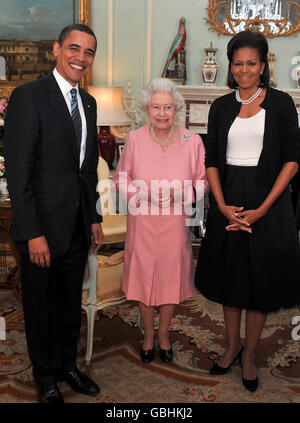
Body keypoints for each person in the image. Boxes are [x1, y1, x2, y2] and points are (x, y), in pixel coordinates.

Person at [195, 30, 300, 393]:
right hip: (228, 201)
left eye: (251, 63)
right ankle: (231, 346)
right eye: (237, 63)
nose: (243, 70)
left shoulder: (282, 103)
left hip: (268, 203)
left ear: (263, 65)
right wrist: (222, 206)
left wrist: (263, 209)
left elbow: (292, 161)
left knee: (259, 285)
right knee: (230, 280)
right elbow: (211, 160)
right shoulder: (221, 106)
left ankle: (251, 354)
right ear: (230, 65)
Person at [4, 24, 103, 403]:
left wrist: (93, 217)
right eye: (74, 48)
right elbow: (18, 171)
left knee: (67, 306)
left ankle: (67, 366)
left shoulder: (89, 103)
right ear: (57, 49)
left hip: (77, 227)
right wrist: (32, 233)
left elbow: (88, 167)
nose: (81, 57)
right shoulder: (29, 97)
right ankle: (45, 375)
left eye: (89, 52)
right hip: (41, 230)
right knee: (41, 308)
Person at [114, 78, 207, 364]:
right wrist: (143, 195)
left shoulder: (193, 141)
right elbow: (120, 178)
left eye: (168, 107)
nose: (162, 113)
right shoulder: (135, 139)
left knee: (170, 278)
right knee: (143, 277)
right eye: (156, 107)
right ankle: (148, 335)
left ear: (176, 108)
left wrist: (183, 192)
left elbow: (203, 182)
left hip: (175, 222)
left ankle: (163, 333)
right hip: (142, 221)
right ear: (146, 109)